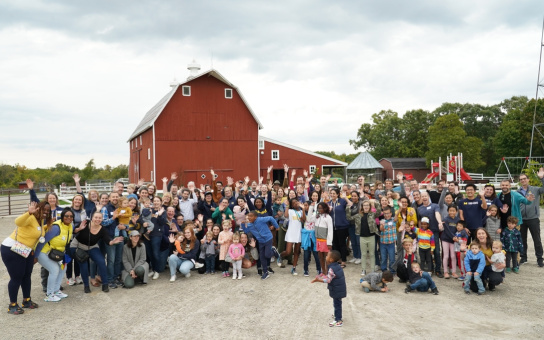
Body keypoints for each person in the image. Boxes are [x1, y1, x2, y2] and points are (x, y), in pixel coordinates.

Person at [1, 201, 52, 314]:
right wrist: (29, 212)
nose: (46, 212)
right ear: (38, 209)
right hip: (12, 248)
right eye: (44, 210)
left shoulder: (41, 220)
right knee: (17, 277)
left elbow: (36, 231)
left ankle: (26, 300)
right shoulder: (30, 217)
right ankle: (12, 304)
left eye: (48, 211)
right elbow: (18, 222)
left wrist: (48, 225)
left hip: (26, 250)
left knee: (27, 275)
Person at [70, 211, 124, 294]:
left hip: (92, 246)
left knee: (101, 262)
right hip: (78, 245)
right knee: (83, 265)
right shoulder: (85, 223)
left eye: (100, 218)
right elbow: (74, 231)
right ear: (92, 217)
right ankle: (86, 286)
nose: (97, 219)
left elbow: (107, 240)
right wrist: (79, 228)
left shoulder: (102, 229)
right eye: (96, 217)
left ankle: (105, 284)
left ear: (102, 219)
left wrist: (112, 242)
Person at [36, 208, 73, 302]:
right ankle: (49, 294)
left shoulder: (69, 226)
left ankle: (56, 291)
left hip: (56, 253)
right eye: (66, 216)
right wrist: (35, 255)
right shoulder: (56, 227)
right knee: (54, 270)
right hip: (44, 252)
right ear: (62, 216)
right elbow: (42, 241)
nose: (69, 218)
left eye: (71, 216)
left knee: (63, 267)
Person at [311, 250, 346, 328]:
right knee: (338, 303)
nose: (326, 257)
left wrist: (318, 280)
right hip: (339, 288)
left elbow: (328, 280)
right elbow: (331, 276)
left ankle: (338, 320)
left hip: (336, 289)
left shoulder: (331, 268)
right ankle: (338, 315)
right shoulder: (337, 266)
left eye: (327, 256)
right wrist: (323, 275)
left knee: (337, 304)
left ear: (331, 260)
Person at [240, 211, 279, 280]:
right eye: (248, 216)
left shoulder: (260, 219)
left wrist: (276, 226)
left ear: (255, 217)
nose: (249, 217)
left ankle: (273, 251)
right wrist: (243, 224)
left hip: (268, 238)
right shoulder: (249, 225)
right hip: (260, 241)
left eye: (251, 216)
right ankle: (265, 272)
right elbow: (246, 231)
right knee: (262, 257)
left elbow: (270, 218)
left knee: (267, 255)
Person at [518, 171, 544, 267]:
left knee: (536, 239)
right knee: (522, 239)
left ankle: (540, 259)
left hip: (533, 218)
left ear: (528, 179)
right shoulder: (518, 192)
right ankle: (523, 257)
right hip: (522, 219)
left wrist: (542, 178)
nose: (523, 180)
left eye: (524, 178)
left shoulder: (535, 189)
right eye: (521, 179)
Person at [417, 191, 443, 277]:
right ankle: (430, 268)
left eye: (426, 196)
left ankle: (438, 270)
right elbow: (419, 221)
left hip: (434, 231)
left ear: (428, 197)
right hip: (424, 234)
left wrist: (439, 222)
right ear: (421, 198)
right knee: (427, 252)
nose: (424, 198)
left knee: (436, 251)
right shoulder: (419, 209)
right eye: (422, 196)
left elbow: (437, 214)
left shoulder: (435, 206)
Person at [279, 198, 306, 275]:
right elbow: (286, 215)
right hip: (291, 233)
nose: (295, 203)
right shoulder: (290, 211)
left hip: (298, 233)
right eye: (293, 203)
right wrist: (287, 206)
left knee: (296, 252)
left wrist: (303, 209)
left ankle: (294, 268)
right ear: (292, 205)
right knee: (288, 251)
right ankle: (280, 255)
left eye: (296, 202)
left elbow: (304, 220)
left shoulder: (301, 211)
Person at [328, 188, 349, 266]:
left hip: (342, 226)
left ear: (337, 194)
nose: (332, 195)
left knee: (342, 244)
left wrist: (346, 198)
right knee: (335, 244)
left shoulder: (342, 201)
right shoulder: (328, 203)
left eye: (334, 193)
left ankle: (343, 260)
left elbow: (351, 205)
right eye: (331, 193)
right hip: (332, 227)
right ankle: (338, 259)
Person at [441, 205, 460, 279]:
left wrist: (457, 237)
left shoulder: (457, 220)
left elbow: (459, 229)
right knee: (446, 256)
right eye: (450, 210)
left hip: (454, 241)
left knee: (453, 256)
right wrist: (453, 237)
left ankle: (454, 272)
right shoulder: (445, 219)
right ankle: (446, 271)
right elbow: (447, 230)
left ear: (456, 211)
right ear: (448, 211)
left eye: (453, 210)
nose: (452, 212)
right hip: (446, 239)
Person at [379, 207, 397, 273]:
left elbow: (397, 215)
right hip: (383, 242)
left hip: (391, 243)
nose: (387, 215)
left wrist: (400, 207)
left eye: (388, 213)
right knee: (383, 257)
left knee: (392, 258)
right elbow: (381, 229)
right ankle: (384, 270)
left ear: (391, 213)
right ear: (383, 214)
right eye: (385, 213)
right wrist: (382, 225)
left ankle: (392, 270)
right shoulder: (382, 221)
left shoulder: (393, 220)